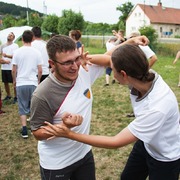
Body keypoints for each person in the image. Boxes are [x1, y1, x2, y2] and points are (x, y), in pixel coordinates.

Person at [42, 44, 180, 180]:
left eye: (112, 70)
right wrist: (81, 60)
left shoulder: (157, 107)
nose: (110, 69)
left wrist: (69, 134)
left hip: (165, 155)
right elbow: (108, 60)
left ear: (123, 74)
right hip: (146, 144)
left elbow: (115, 142)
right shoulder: (139, 74)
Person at [29, 34, 148, 180]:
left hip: (84, 155)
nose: (74, 67)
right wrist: (64, 127)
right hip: (57, 164)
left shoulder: (83, 70)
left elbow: (110, 55)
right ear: (52, 64)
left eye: (76, 59)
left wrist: (130, 42)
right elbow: (37, 132)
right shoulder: (42, 94)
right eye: (67, 63)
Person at [12, 30, 42, 138]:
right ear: (32, 38)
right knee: (33, 106)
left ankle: (24, 129)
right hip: (32, 82)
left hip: (21, 82)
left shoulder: (17, 52)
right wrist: (38, 81)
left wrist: (14, 80)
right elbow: (40, 70)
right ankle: (34, 127)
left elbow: (14, 69)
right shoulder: (36, 52)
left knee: (22, 106)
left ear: (22, 39)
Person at [0, 32, 19, 103]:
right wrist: (3, 61)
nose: (9, 36)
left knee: (14, 82)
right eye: (9, 35)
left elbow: (16, 56)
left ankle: (16, 96)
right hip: (4, 67)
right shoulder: (2, 45)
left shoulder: (15, 45)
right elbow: (1, 55)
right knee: (5, 82)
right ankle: (8, 95)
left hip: (11, 67)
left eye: (11, 35)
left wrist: (7, 56)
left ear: (13, 38)